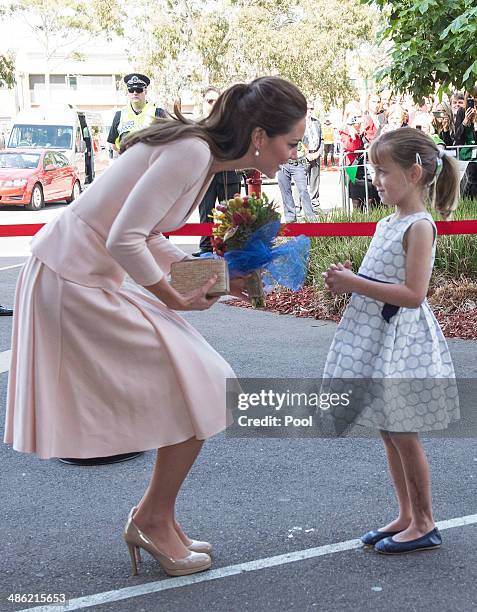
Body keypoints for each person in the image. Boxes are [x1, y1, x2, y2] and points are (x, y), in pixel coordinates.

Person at [5, 76, 307, 576]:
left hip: (86, 276)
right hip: (73, 279)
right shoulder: (192, 153)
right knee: (205, 381)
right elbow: (125, 238)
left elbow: (142, 238)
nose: (292, 154)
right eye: (290, 143)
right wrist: (174, 297)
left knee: (202, 383)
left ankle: (155, 518)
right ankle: (152, 519)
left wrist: (218, 278)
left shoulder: (202, 157)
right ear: (259, 135)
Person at [322, 128, 460, 554]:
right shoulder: (389, 221)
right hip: (380, 337)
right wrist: (352, 281)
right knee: (388, 429)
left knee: (403, 431)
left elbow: (414, 294)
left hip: (402, 341)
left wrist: (357, 284)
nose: (375, 178)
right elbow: (381, 280)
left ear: (414, 172)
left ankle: (424, 521)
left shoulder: (419, 226)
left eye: (383, 171)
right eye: (373, 169)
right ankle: (405, 514)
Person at [194, 86, 241, 256]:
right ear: (203, 102)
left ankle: (231, 248)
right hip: (206, 175)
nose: (213, 104)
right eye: (209, 101)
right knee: (206, 214)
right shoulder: (197, 126)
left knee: (231, 215)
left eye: (217, 100)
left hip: (228, 174)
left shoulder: (231, 124)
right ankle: (205, 249)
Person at [107, 73, 167, 153]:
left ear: (145, 91)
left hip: (150, 162)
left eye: (139, 90)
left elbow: (167, 141)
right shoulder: (120, 114)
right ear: (128, 93)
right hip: (127, 161)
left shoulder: (158, 113)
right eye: (131, 90)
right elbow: (113, 143)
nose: (135, 93)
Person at [277, 140, 316, 221]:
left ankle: (310, 218)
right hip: (282, 164)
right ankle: (290, 218)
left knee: (303, 190)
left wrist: (306, 153)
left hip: (297, 164)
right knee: (285, 192)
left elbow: (307, 142)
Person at [303, 100, 323, 212]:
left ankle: (315, 204)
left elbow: (322, 139)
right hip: (304, 156)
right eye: (307, 108)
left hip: (315, 154)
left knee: (315, 180)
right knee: (301, 182)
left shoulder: (317, 122)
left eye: (311, 108)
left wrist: (318, 152)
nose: (309, 111)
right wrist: (306, 153)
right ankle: (300, 206)